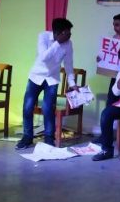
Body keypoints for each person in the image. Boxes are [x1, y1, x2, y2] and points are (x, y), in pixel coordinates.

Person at [15, 18, 78, 150]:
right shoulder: (43, 36)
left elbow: (68, 64)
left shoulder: (68, 44)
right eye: (68, 32)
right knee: (27, 107)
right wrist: (57, 43)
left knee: (48, 108)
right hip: (36, 77)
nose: (70, 35)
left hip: (52, 79)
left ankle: (49, 137)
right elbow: (43, 57)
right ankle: (27, 137)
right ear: (59, 33)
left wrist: (72, 83)